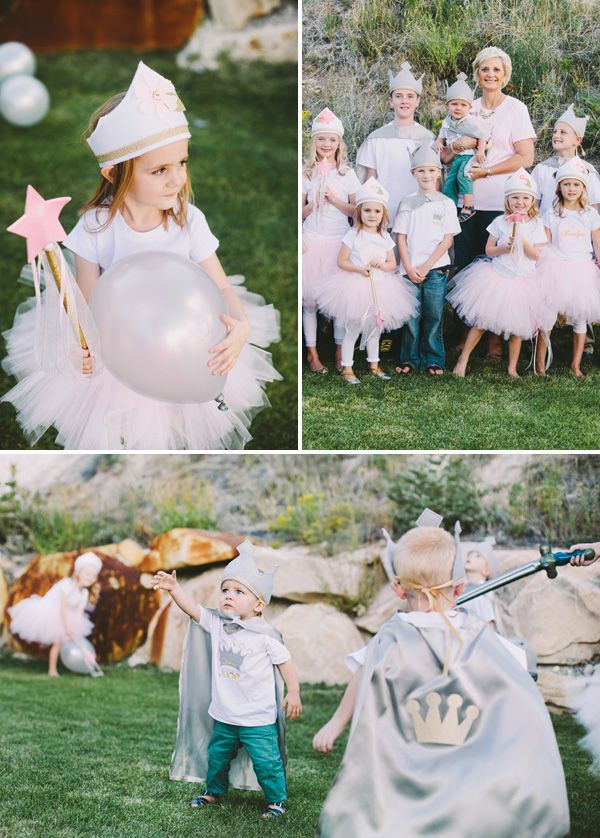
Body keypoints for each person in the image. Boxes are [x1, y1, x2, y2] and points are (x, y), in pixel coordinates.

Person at [2, 61, 281, 450]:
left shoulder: (188, 221)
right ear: (114, 174)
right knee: (130, 424)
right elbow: (87, 301)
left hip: (186, 337)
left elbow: (218, 284)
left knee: (174, 422)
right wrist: (83, 347)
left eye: (182, 163)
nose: (177, 179)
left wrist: (242, 325)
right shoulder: (96, 228)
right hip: (125, 346)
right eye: (160, 170)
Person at [313, 524, 569, 838]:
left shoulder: (390, 636)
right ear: (461, 587)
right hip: (467, 753)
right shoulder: (481, 637)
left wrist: (336, 723)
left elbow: (362, 673)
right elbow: (521, 681)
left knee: (398, 813)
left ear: (397, 588)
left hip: (404, 753)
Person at [153, 540, 301, 819]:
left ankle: (276, 800)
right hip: (225, 715)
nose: (228, 596)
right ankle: (214, 790)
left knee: (266, 762)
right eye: (225, 590)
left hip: (257, 717)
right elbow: (194, 610)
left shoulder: (264, 635)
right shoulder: (218, 624)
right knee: (218, 758)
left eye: (238, 591)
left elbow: (285, 661)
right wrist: (175, 589)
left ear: (259, 605)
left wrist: (293, 690)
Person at [442, 47, 536, 363]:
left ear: (505, 75)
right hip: (467, 202)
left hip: (501, 202)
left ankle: (495, 341)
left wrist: (488, 171)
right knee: (467, 265)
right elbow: (443, 155)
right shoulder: (465, 107)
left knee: (497, 270)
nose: (491, 75)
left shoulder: (516, 109)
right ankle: (465, 333)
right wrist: (459, 145)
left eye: (497, 70)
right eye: (485, 69)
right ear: (477, 73)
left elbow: (526, 157)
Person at [448, 168, 552, 378]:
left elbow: (536, 256)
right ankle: (463, 360)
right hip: (498, 277)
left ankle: (512, 368)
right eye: (515, 198)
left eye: (525, 198)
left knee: (517, 329)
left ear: (532, 201)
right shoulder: (500, 222)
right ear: (507, 200)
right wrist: (504, 248)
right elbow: (489, 250)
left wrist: (522, 240)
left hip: (523, 281)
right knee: (482, 323)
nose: (520, 202)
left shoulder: (536, 225)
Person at [316, 177, 418, 384]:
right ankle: (347, 367)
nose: (372, 215)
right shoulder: (353, 235)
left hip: (381, 287)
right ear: (359, 212)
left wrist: (381, 265)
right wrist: (359, 269)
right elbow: (342, 261)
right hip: (356, 285)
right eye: (367, 210)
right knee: (353, 328)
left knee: (375, 328)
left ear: (383, 214)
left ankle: (374, 364)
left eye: (377, 211)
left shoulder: (384, 237)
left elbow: (392, 264)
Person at [392, 144, 461, 376]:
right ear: (413, 173)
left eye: (431, 171)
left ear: (438, 173)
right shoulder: (407, 202)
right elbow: (400, 237)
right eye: (421, 171)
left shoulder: (446, 203)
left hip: (435, 268)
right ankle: (409, 358)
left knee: (434, 315)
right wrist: (409, 267)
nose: (426, 176)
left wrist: (426, 265)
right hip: (409, 269)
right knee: (411, 317)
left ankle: (433, 359)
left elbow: (447, 240)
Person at [302, 108, 360, 373]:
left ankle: (339, 350)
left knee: (339, 301)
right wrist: (313, 204)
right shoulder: (306, 173)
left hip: (338, 240)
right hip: (312, 240)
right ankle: (312, 353)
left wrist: (334, 199)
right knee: (310, 300)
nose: (327, 145)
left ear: (339, 143)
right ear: (314, 142)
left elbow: (355, 212)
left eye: (332, 140)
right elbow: (298, 213)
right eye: (321, 139)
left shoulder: (346, 173)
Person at [534, 157, 600, 379]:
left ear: (583, 188)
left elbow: (597, 242)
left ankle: (576, 364)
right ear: (559, 187)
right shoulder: (551, 214)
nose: (571, 189)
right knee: (548, 315)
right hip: (557, 267)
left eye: (576, 184)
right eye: (567, 184)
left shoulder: (590, 214)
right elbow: (545, 243)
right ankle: (540, 364)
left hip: (582, 267)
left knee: (581, 317)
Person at [356, 62, 434, 224]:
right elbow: (370, 180)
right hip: (384, 214)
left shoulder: (427, 138)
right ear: (391, 101)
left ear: (418, 101)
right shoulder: (376, 139)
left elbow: (435, 181)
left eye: (410, 96)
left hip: (418, 213)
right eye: (398, 96)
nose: (404, 101)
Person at [8, 552, 102, 677]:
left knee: (69, 640)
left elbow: (79, 613)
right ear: (78, 572)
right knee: (58, 641)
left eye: (93, 576)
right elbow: (62, 608)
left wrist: (74, 630)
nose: (90, 578)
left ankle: (81, 662)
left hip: (69, 615)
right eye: (87, 574)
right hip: (53, 611)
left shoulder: (84, 593)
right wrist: (67, 628)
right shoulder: (67, 585)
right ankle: (52, 670)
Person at [435, 72, 490, 222]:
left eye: (463, 105)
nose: (458, 108)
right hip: (457, 156)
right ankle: (449, 209)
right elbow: (442, 134)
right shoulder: (448, 121)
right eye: (454, 104)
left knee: (464, 175)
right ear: (447, 105)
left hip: (468, 155)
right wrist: (439, 142)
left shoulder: (471, 121)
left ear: (469, 107)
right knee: (450, 181)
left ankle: (468, 206)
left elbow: (482, 135)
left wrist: (480, 151)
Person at [532, 104, 600, 217]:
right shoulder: (542, 169)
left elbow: (595, 207)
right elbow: (533, 204)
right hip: (545, 231)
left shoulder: (587, 171)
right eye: (554, 132)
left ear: (577, 140)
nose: (556, 135)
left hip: (578, 231)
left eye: (562, 132)